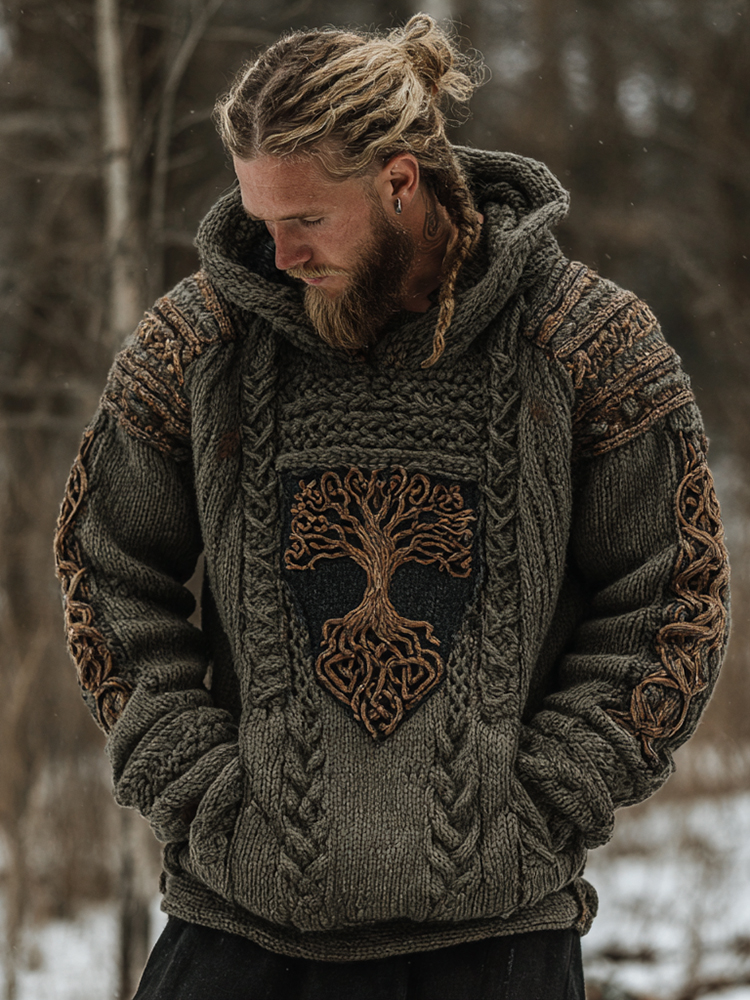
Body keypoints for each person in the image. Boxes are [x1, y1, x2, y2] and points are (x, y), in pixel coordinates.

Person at [54, 15, 730, 1000]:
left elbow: (676, 596)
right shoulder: (197, 343)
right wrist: (203, 794)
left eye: (305, 219)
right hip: (237, 934)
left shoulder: (590, 343)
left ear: (401, 180)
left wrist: (540, 805)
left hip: (496, 945)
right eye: (261, 218)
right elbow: (104, 570)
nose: (279, 253)